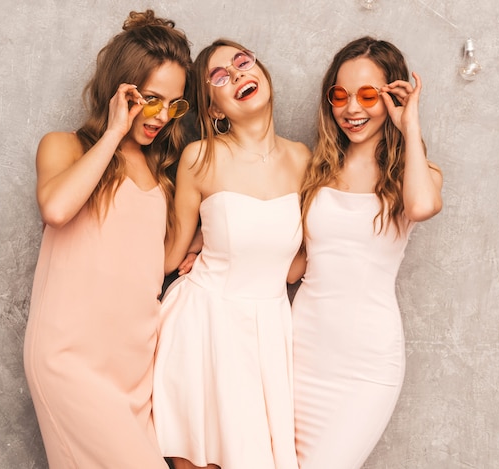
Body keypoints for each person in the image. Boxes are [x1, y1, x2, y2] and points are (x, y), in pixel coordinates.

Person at [22, 10, 192, 469]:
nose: (160, 116)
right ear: (121, 90)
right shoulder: (66, 147)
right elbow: (57, 210)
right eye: (150, 99)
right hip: (70, 362)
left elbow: (148, 268)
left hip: (134, 373)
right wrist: (115, 131)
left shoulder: (160, 175)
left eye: (173, 104)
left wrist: (197, 247)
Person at [152, 39, 310, 469]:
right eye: (220, 76)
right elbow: (169, 257)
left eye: (242, 61)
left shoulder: (303, 159)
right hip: (203, 324)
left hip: (267, 335)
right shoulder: (199, 156)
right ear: (214, 109)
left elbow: (296, 267)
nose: (238, 74)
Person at [289, 36, 443, 469]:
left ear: (392, 95)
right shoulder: (315, 170)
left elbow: (421, 207)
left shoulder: (417, 175)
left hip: (365, 363)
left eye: (368, 95)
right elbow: (292, 264)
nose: (351, 108)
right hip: (300, 353)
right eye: (340, 95)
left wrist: (409, 125)